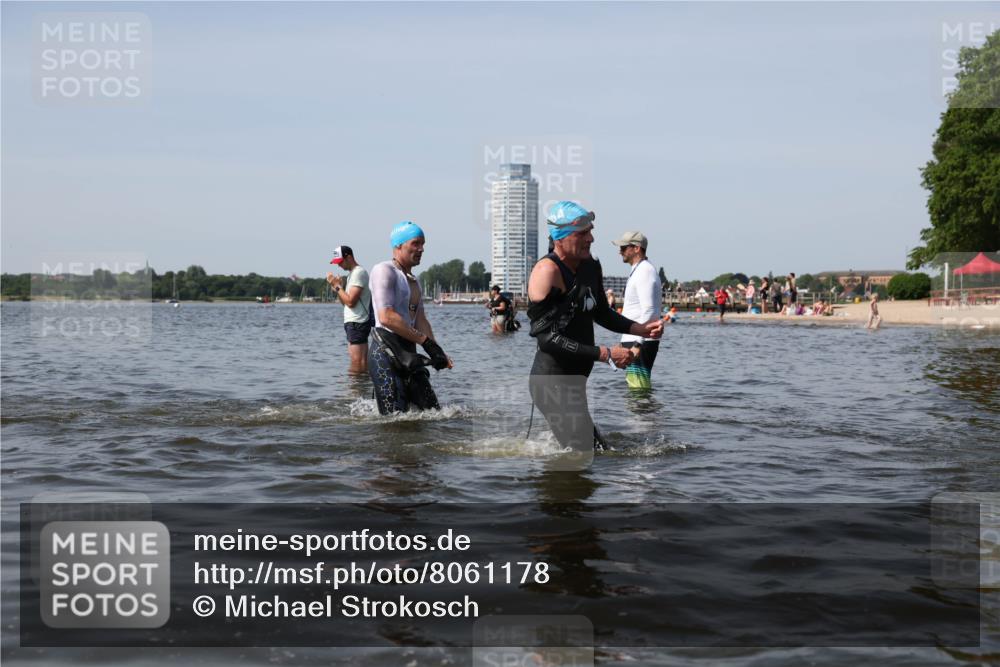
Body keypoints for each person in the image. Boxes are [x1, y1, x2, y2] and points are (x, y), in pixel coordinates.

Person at [527, 202, 663, 456]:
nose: (591, 238)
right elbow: (547, 339)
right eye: (582, 233)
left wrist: (640, 329)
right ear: (560, 238)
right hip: (551, 382)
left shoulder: (591, 266)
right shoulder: (546, 272)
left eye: (590, 231)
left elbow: (600, 312)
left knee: (593, 452)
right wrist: (605, 354)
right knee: (587, 455)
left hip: (576, 381)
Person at [367, 221, 453, 414]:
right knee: (393, 422)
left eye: (423, 244)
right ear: (399, 245)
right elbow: (386, 316)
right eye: (416, 243)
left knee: (434, 413)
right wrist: (424, 341)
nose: (421, 249)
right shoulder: (384, 270)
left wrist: (436, 350)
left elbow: (420, 320)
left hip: (410, 354)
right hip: (386, 353)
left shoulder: (414, 280)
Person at [613, 231, 663, 389]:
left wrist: (638, 344)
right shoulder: (638, 270)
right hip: (634, 337)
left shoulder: (645, 271)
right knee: (635, 387)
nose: (619, 251)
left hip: (641, 340)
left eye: (623, 247)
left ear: (637, 248)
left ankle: (644, 414)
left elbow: (649, 310)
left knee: (639, 389)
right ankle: (641, 413)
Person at [327, 245, 372, 374]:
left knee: (357, 362)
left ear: (349, 257)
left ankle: (356, 390)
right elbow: (345, 302)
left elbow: (351, 302)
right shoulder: (352, 274)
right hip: (356, 323)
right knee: (360, 361)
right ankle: (361, 389)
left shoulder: (358, 272)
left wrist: (336, 286)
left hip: (357, 322)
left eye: (340, 262)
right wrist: (339, 288)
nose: (339, 265)